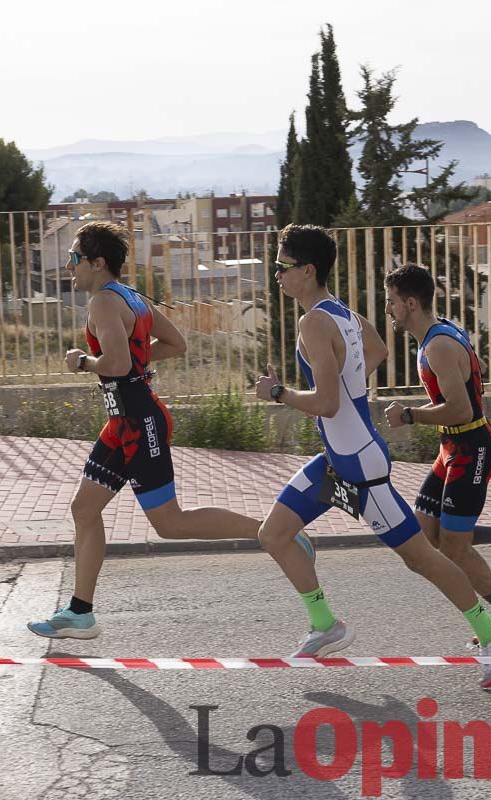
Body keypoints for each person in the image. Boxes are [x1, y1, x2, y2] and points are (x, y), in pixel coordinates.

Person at [253, 225, 491, 688]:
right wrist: (348, 379)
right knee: (275, 534)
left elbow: (327, 403)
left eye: (281, 266)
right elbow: (373, 351)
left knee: (422, 558)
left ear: (307, 270)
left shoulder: (314, 321)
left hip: (360, 467)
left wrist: (277, 392)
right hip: (340, 456)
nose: (275, 275)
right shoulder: (344, 315)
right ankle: (325, 626)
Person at [29, 221, 312, 639]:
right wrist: (133, 362)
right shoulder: (132, 298)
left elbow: (118, 364)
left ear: (97, 262)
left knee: (171, 523)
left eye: (74, 259)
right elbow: (176, 344)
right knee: (84, 510)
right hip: (123, 422)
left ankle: (273, 530)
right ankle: (80, 612)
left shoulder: (103, 304)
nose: (69, 267)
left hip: (138, 423)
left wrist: (83, 362)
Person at [380, 264, 491, 639]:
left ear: (411, 303)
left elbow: (462, 408)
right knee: (427, 533)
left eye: (391, 302)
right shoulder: (442, 332)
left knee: (454, 546)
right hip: (451, 446)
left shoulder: (437, 345)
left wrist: (409, 414)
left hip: (472, 447)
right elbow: (476, 366)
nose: (387, 309)